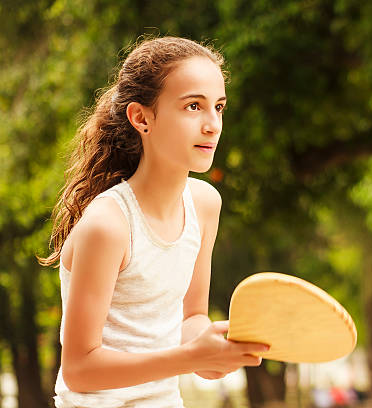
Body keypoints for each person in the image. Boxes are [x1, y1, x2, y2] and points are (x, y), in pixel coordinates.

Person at [38, 36, 269, 407]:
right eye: (193, 106)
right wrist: (191, 357)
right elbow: (79, 369)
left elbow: (191, 317)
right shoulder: (109, 224)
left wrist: (214, 347)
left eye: (219, 107)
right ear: (141, 118)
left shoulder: (205, 203)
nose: (213, 125)